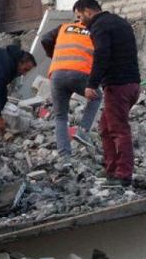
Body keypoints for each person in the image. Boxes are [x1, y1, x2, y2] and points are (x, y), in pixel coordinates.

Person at [73, 0, 141, 186]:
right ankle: (111, 170)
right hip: (132, 85)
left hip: (117, 86)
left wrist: (91, 84)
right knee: (105, 127)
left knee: (118, 129)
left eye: (80, 17)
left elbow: (102, 55)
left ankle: (124, 175)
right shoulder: (120, 22)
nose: (80, 22)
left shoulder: (99, 26)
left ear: (88, 11)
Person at [40, 19, 103, 158]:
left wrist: (53, 55)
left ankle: (64, 156)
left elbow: (45, 39)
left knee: (60, 116)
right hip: (80, 72)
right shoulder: (95, 30)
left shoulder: (64, 27)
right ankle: (83, 130)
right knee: (97, 96)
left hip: (57, 73)